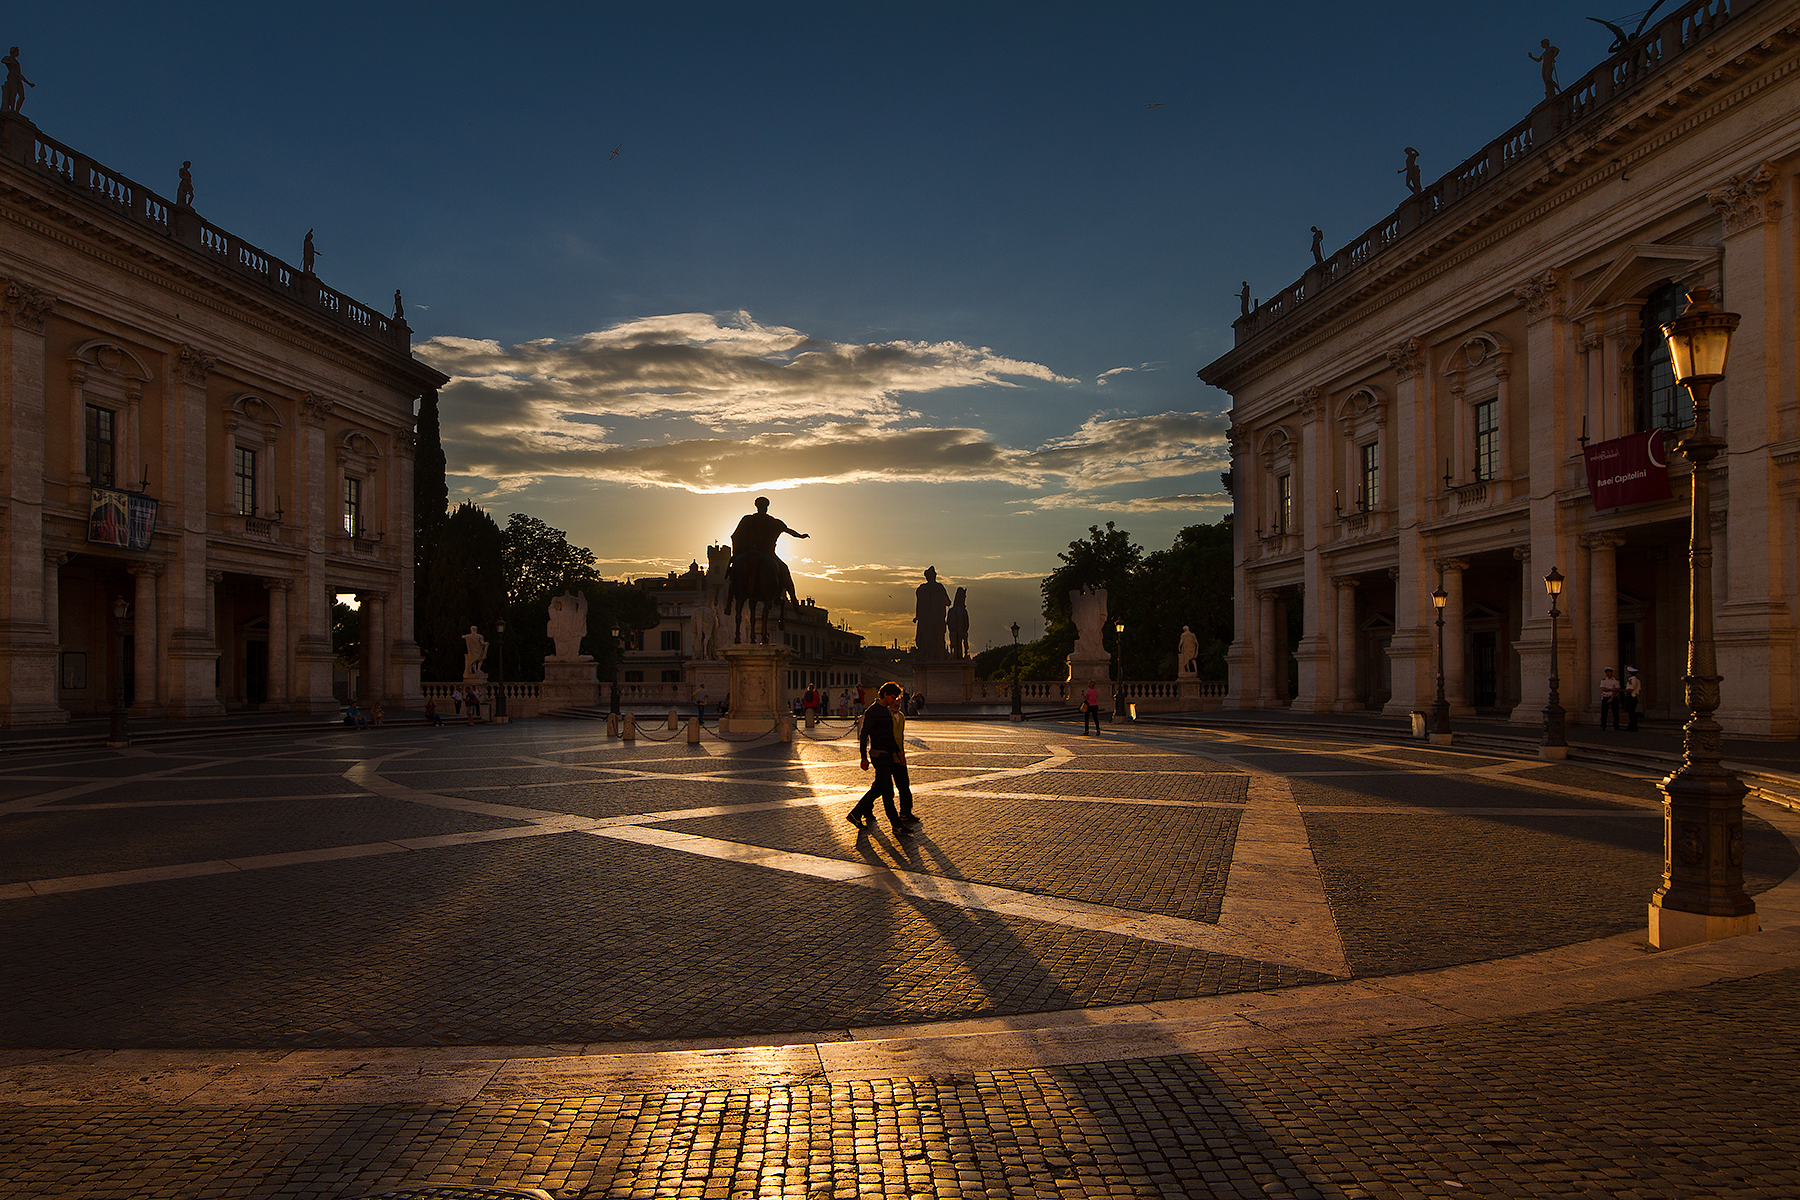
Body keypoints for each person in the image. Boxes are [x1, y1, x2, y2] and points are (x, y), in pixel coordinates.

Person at [850, 682, 906, 834]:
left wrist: (898, 752)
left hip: (888, 754)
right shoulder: (872, 711)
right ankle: (896, 824)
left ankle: (855, 813)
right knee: (888, 791)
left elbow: (890, 736)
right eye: (894, 697)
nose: (895, 700)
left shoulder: (886, 711)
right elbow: (864, 735)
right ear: (886, 695)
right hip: (878, 755)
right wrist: (863, 757)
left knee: (879, 788)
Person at [890, 687, 918, 829]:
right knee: (880, 788)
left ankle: (906, 812)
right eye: (895, 701)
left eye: (899, 701)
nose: (897, 704)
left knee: (904, 787)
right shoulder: (886, 716)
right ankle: (865, 810)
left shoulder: (901, 716)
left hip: (900, 757)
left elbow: (900, 738)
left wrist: (902, 754)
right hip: (889, 757)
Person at [1624, 667, 1642, 732]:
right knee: (1632, 712)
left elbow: (1630, 689)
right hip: (1635, 697)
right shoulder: (1638, 680)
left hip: (1631, 697)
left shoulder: (1631, 680)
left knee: (1630, 713)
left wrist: (1621, 690)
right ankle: (1633, 726)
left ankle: (1632, 726)